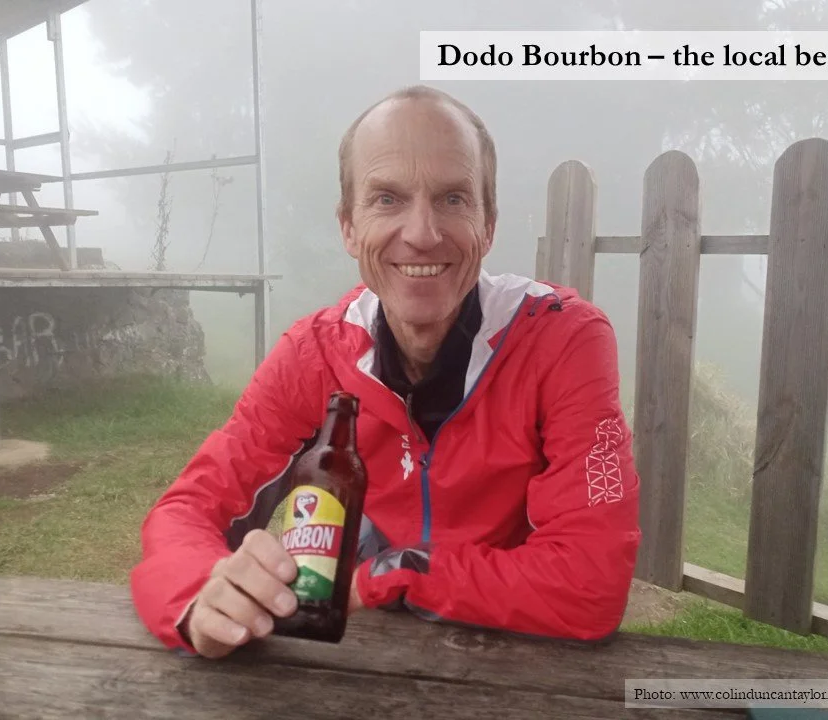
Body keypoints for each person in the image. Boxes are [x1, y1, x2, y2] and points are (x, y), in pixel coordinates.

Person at [130, 84, 641, 659]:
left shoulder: (563, 338)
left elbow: (590, 583)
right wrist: (199, 595)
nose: (422, 232)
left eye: (453, 199)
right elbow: (187, 510)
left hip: (515, 649)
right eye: (387, 199)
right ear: (348, 226)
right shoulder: (315, 354)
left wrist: (394, 573)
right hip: (368, 650)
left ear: (489, 225)